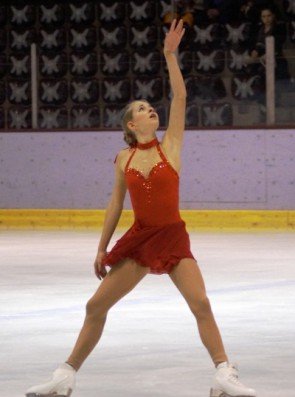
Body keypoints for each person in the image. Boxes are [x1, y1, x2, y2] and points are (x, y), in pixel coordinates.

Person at [25, 20, 257, 397]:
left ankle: (224, 374)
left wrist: (169, 55)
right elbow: (115, 204)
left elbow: (179, 98)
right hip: (140, 240)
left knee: (200, 302)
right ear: (132, 124)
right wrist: (102, 247)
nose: (153, 111)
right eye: (144, 109)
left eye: (152, 107)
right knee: (95, 306)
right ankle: (64, 377)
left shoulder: (171, 148)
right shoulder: (123, 158)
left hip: (172, 236)